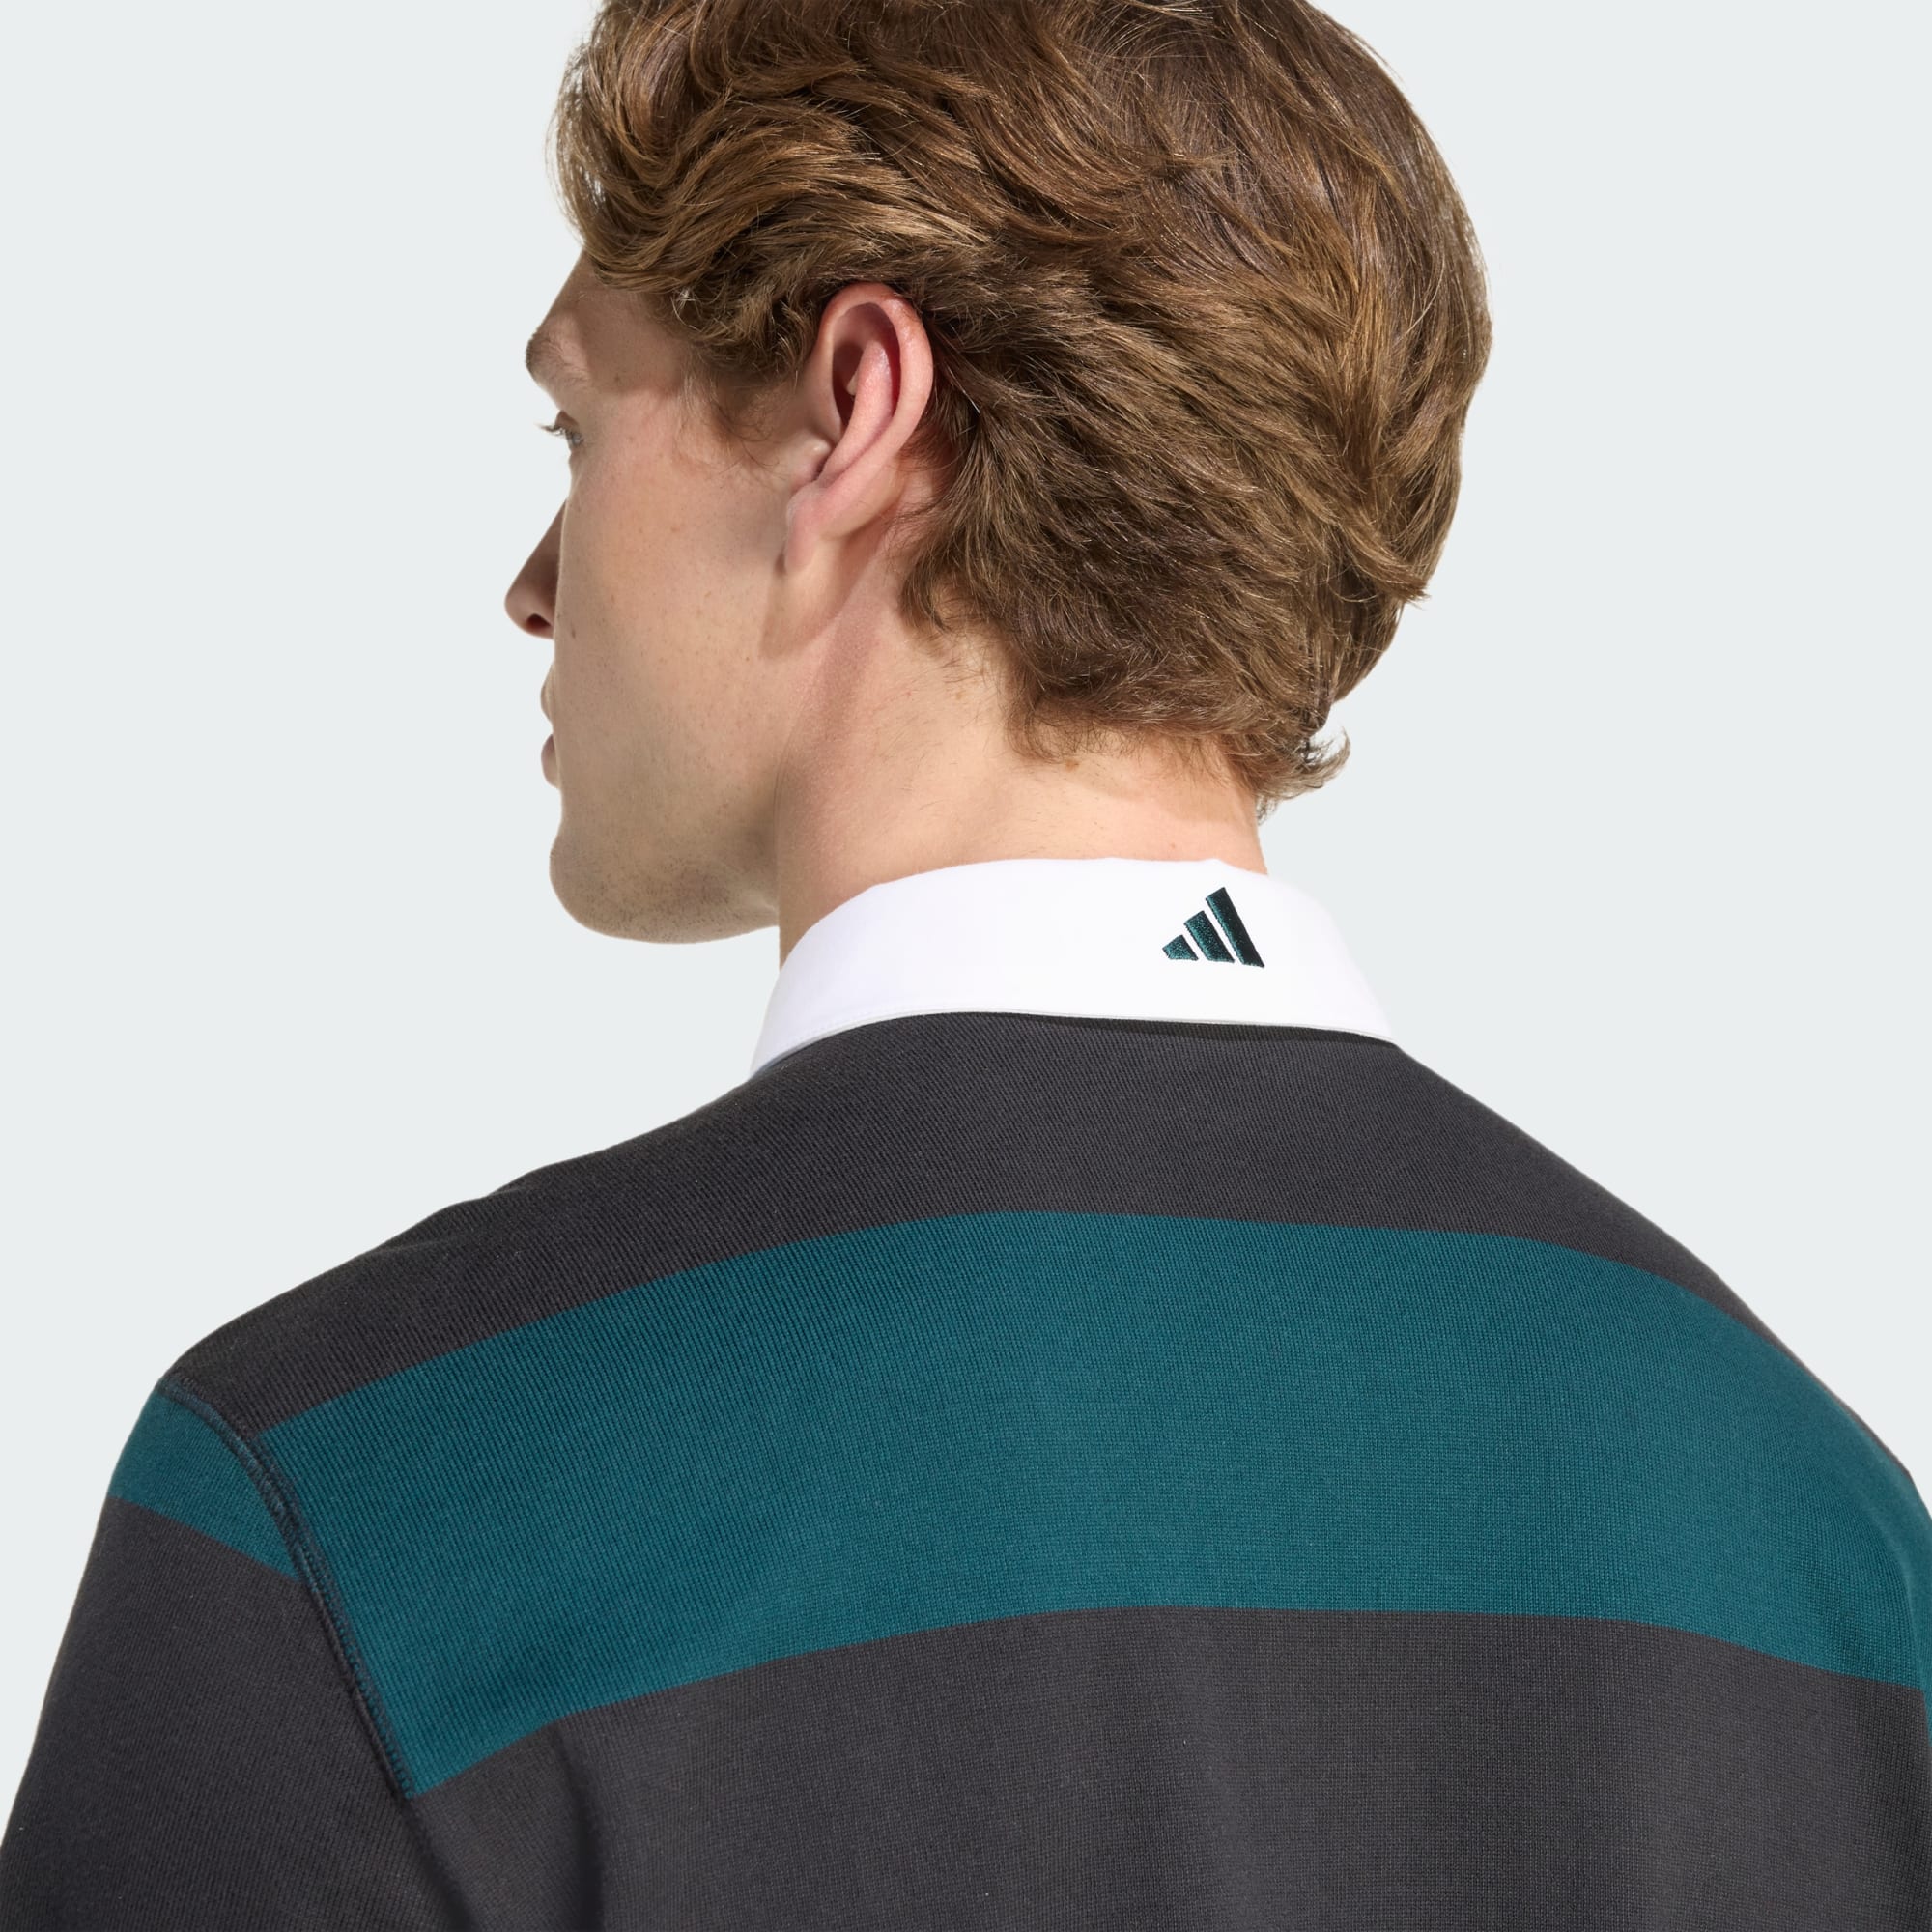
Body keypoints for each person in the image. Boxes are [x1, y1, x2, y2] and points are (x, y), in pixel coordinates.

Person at [3, 0, 1928, 1924]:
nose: (533, 582)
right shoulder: (1819, 1530)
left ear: (854, 409)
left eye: (576, 426)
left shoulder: (366, 1500)